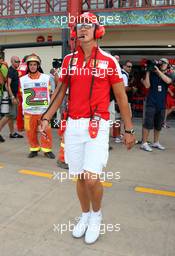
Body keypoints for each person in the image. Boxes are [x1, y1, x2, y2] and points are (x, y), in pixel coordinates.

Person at [39, 12, 135, 244]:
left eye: (88, 26)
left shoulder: (109, 61)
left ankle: (96, 216)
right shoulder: (69, 60)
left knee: (92, 178)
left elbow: (121, 97)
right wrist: (45, 117)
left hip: (98, 123)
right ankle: (84, 216)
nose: (82, 30)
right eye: (79, 26)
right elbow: (60, 91)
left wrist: (129, 130)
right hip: (73, 124)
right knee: (80, 177)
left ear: (97, 31)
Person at [20, 54, 55, 159]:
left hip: (43, 112)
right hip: (29, 112)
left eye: (35, 64)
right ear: (28, 66)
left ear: (38, 66)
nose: (33, 67)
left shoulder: (46, 78)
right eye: (31, 65)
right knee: (30, 132)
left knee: (46, 131)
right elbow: (21, 94)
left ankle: (47, 150)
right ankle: (34, 149)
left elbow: (51, 93)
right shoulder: (22, 79)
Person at [140, 58, 172, 152]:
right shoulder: (152, 74)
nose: (162, 64)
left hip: (161, 104)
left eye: (164, 63)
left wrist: (158, 71)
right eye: (161, 62)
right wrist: (148, 71)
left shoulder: (168, 74)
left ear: (167, 65)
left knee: (158, 125)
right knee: (148, 124)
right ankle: (144, 143)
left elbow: (168, 81)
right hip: (151, 103)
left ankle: (156, 142)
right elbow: (147, 85)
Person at [0, 56, 23, 142]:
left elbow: (15, 86)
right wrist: (12, 97)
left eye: (19, 61)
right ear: (12, 62)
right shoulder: (10, 71)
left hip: (13, 95)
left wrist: (16, 97)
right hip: (10, 96)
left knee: (12, 116)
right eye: (16, 61)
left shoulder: (15, 71)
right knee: (9, 115)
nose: (18, 63)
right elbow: (7, 85)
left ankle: (12, 133)